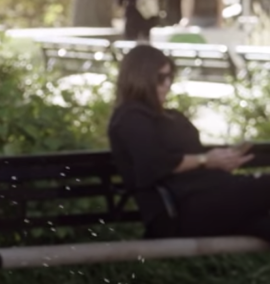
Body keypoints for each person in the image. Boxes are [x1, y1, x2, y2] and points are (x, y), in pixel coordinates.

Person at [108, 45, 270, 242]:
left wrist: (225, 160)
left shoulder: (171, 116)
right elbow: (153, 165)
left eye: (170, 77)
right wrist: (205, 160)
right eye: (161, 78)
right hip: (179, 210)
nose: (167, 84)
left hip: (211, 199)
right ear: (141, 78)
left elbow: (196, 157)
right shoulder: (130, 118)